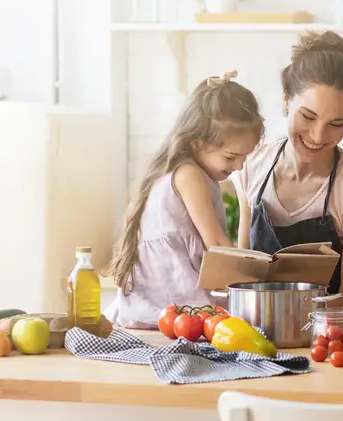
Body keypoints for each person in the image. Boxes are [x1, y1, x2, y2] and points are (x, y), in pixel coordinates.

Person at [235, 30, 343, 309]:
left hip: (327, 341)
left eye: (336, 124)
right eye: (308, 116)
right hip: (254, 337)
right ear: (286, 99)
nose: (318, 136)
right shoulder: (252, 166)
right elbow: (243, 278)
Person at [104, 71, 264, 329]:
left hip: (159, 308)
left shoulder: (184, 172)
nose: (238, 165)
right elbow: (216, 244)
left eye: (245, 157)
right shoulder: (190, 176)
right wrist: (256, 280)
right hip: (174, 307)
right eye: (231, 156)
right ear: (197, 143)